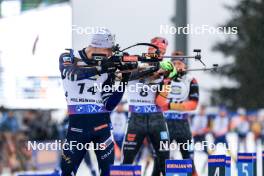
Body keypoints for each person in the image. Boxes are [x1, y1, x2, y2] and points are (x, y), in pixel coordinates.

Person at [59, 29, 129, 176]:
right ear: (97, 46)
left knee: (108, 173)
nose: (110, 54)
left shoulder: (107, 67)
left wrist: (124, 79)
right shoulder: (69, 56)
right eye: (108, 50)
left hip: (102, 128)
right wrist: (101, 68)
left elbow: (109, 104)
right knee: (66, 173)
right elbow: (72, 74)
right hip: (77, 129)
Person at [122, 37, 175, 176]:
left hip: (156, 118)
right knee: (127, 159)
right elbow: (123, 75)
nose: (160, 54)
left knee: (164, 158)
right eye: (156, 49)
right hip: (136, 118)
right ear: (149, 49)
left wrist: (168, 78)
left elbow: (160, 102)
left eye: (163, 52)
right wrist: (152, 69)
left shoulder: (164, 67)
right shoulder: (135, 62)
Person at [155, 51, 199, 176]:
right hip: (165, 124)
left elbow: (193, 104)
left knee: (189, 161)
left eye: (180, 63)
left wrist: (171, 106)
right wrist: (167, 79)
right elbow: (159, 102)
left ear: (185, 65)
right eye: (174, 63)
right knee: (159, 161)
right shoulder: (164, 79)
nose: (177, 66)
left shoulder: (191, 79)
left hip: (182, 124)